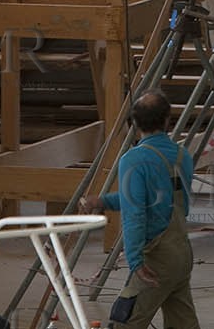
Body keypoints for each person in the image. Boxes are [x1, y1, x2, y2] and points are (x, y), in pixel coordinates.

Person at [78, 89, 200, 328]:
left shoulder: (134, 159)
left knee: (125, 321)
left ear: (133, 124)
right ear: (167, 120)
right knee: (182, 323)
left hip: (156, 259)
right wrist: (103, 202)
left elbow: (136, 213)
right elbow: (153, 199)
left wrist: (135, 261)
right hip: (181, 252)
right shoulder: (182, 155)